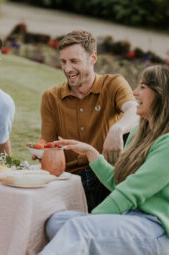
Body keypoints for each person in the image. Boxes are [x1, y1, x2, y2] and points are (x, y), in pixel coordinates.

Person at [40, 65, 169, 255]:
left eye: (143, 87)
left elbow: (129, 193)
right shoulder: (140, 132)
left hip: (158, 230)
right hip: (130, 219)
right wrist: (91, 153)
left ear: (162, 94)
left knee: (78, 229)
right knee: (56, 222)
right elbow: (119, 182)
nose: (135, 92)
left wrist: (90, 221)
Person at [39, 29, 138, 211]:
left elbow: (134, 110)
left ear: (93, 58)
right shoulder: (51, 97)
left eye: (74, 61)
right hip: (71, 180)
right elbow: (49, 146)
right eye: (63, 62)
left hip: (103, 174)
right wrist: (39, 151)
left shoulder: (113, 84)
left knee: (131, 135)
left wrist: (117, 129)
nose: (67, 69)